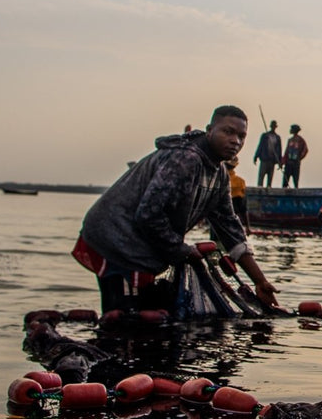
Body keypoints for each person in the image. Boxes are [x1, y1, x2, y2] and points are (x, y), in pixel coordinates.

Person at [74, 105, 280, 315]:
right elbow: (149, 216)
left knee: (146, 317)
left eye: (242, 136)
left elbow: (230, 229)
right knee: (125, 319)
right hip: (116, 238)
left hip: (138, 244)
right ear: (210, 130)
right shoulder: (185, 160)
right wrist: (183, 251)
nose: (235, 141)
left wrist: (260, 281)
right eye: (228, 132)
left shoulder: (219, 176)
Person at [252, 120, 283, 189]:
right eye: (272, 126)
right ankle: (260, 189)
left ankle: (268, 188)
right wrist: (256, 156)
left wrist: (280, 161)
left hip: (272, 160)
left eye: (274, 126)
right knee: (261, 176)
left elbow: (279, 151)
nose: (273, 127)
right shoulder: (265, 136)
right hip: (264, 159)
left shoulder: (277, 138)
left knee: (270, 177)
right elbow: (260, 146)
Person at [282, 124, 308, 189]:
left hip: (295, 163)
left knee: (295, 180)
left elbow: (305, 150)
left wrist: (299, 158)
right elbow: (286, 152)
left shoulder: (301, 140)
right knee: (285, 181)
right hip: (288, 163)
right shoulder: (290, 140)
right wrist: (282, 161)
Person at [227, 158, 250, 232]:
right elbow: (243, 208)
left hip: (218, 221)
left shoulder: (218, 180)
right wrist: (248, 227)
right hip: (233, 221)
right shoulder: (240, 182)